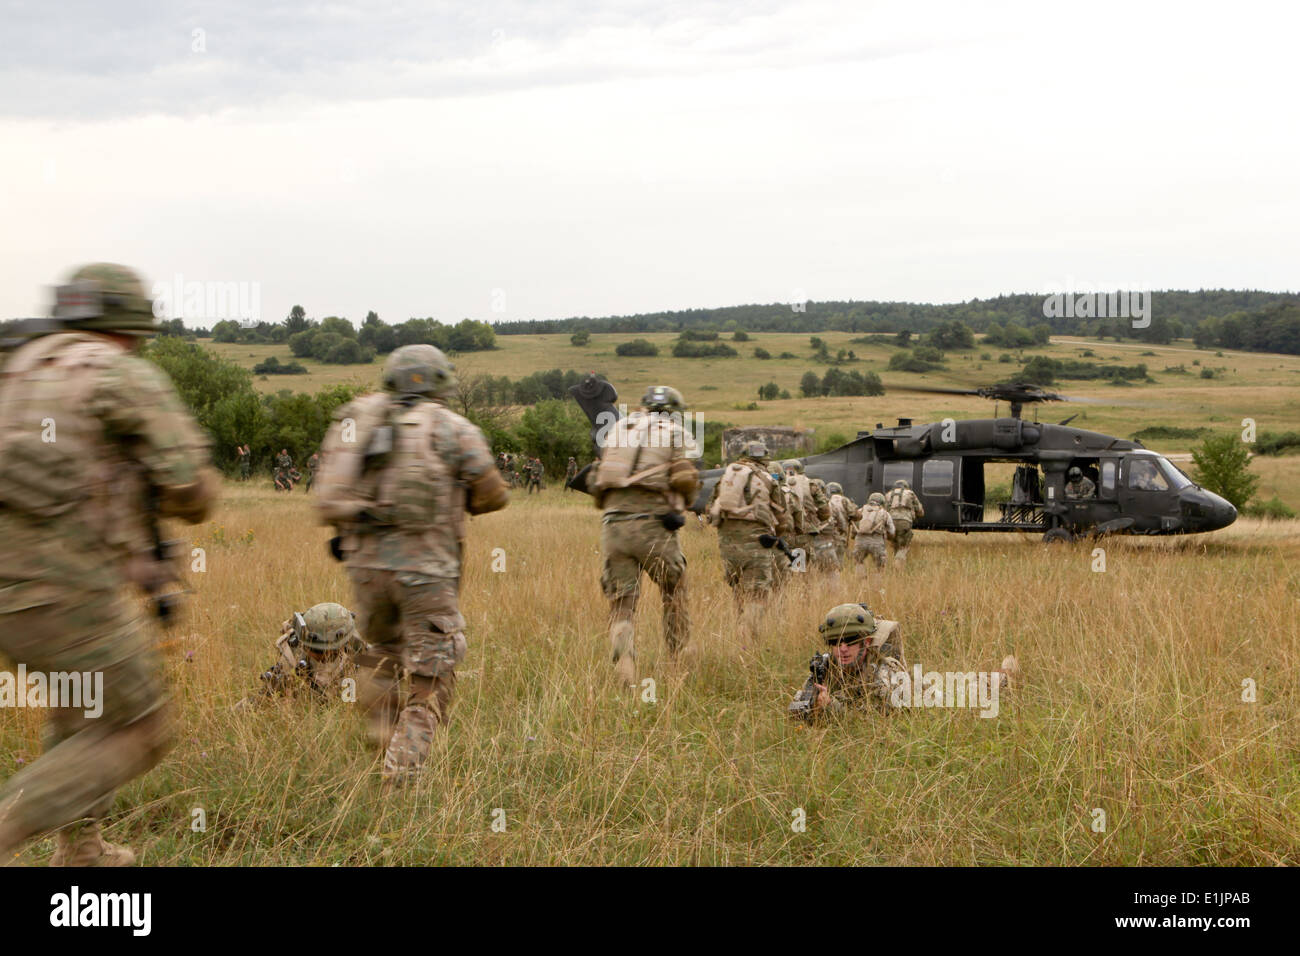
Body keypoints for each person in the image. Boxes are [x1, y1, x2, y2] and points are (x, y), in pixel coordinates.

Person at [0, 262, 219, 866]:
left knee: (82, 704)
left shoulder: (15, 367)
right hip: (60, 590)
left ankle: (83, 852)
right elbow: (193, 492)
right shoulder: (119, 375)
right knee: (138, 727)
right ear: (130, 328)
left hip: (15, 593)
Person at [315, 344, 509, 784]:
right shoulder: (451, 427)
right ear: (441, 382)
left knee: (381, 652)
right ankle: (401, 779)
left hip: (365, 568)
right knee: (432, 676)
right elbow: (494, 493)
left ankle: (381, 731)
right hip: (426, 573)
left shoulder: (359, 419)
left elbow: (328, 495)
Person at [587, 385, 700, 686]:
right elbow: (684, 476)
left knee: (621, 604)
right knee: (674, 593)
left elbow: (596, 482)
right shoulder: (673, 431)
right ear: (674, 412)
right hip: (653, 525)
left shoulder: (617, 430)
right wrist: (683, 503)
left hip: (614, 527)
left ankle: (624, 666)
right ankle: (678, 665)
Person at [705, 441, 789, 636]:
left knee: (738, 591)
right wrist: (776, 535)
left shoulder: (726, 478)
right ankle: (747, 640)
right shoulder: (769, 479)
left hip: (727, 545)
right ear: (764, 460)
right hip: (756, 544)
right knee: (757, 595)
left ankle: (738, 629)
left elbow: (710, 510)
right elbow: (783, 520)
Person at [787, 604, 907, 721]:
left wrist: (831, 707)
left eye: (850, 641)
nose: (843, 649)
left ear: (867, 642)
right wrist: (813, 707)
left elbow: (878, 722)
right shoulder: (825, 667)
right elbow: (793, 712)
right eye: (836, 641)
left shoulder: (883, 671)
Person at [236, 603, 367, 707]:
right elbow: (263, 698)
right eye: (313, 649)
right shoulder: (293, 653)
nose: (316, 654)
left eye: (323, 651)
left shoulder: (357, 646)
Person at [884, 478, 924, 565]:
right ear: (906, 486)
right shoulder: (910, 493)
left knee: (895, 545)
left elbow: (884, 511)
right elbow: (920, 511)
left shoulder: (888, 495)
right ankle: (898, 564)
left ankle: (897, 566)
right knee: (903, 546)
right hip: (905, 522)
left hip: (891, 522)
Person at [853, 492, 895, 568]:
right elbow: (892, 531)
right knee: (879, 567)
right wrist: (890, 538)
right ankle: (876, 579)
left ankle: (860, 579)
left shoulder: (860, 511)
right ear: (882, 502)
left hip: (860, 540)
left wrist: (854, 537)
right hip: (877, 541)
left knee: (859, 562)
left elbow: (854, 528)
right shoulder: (885, 513)